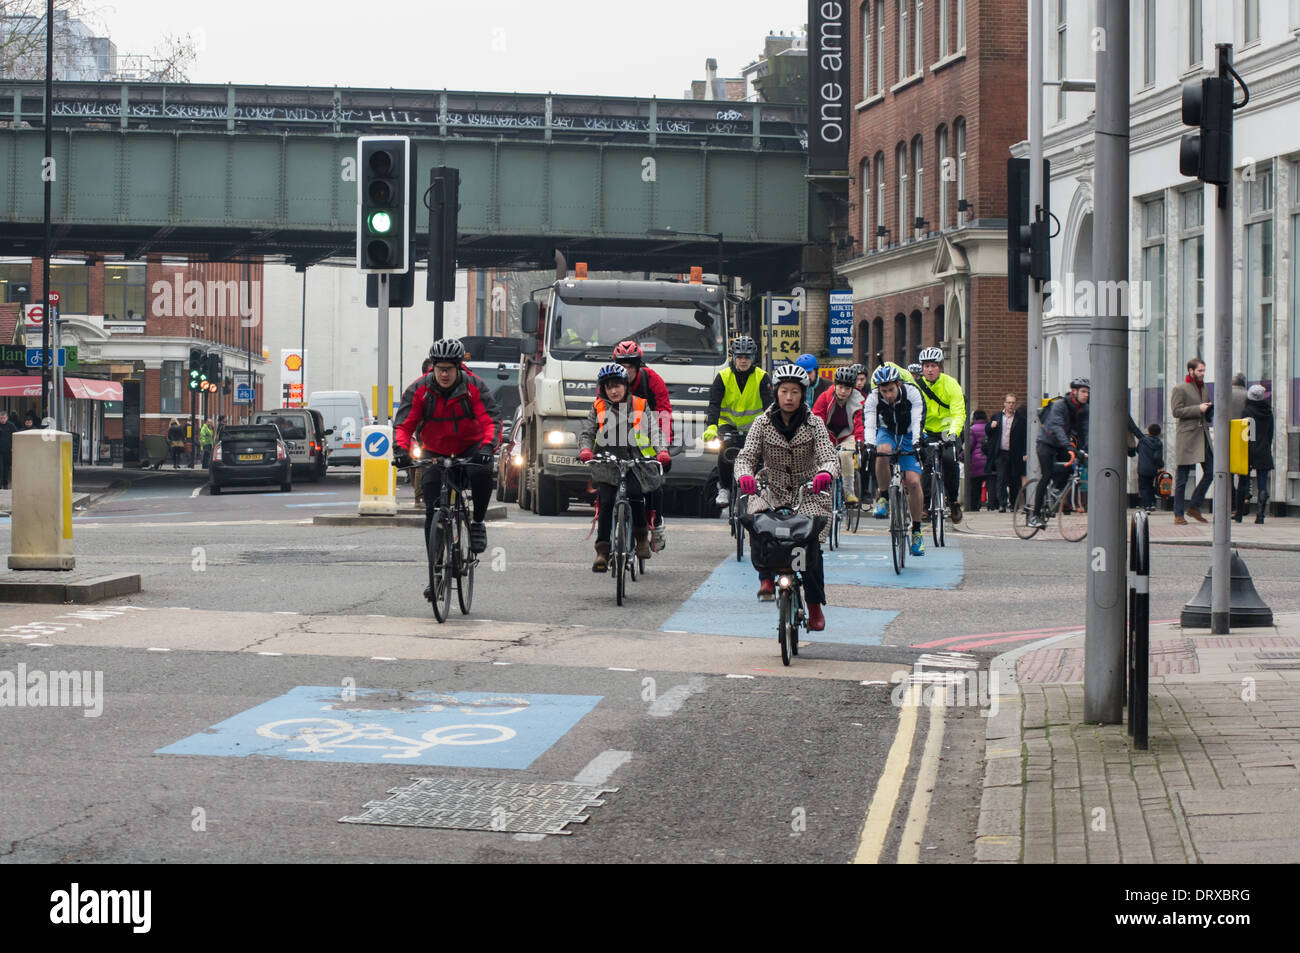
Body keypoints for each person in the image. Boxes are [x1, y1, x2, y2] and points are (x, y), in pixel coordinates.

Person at [393, 339, 502, 601]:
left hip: (470, 447)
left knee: (481, 474)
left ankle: (477, 523)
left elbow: (491, 420)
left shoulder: (474, 386)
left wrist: (487, 447)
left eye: (448, 369)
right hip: (434, 450)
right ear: (432, 368)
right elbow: (404, 425)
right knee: (432, 511)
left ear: (459, 368)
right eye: (438, 368)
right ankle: (435, 574)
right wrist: (400, 450)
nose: (443, 374)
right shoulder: (419, 390)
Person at [734, 363, 838, 631]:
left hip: (809, 490)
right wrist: (745, 475)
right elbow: (745, 457)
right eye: (784, 391)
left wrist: (825, 473)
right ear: (776, 393)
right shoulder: (762, 422)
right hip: (773, 487)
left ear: (803, 394)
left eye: (794, 391)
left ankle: (814, 605)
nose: (789, 397)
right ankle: (766, 578)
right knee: (757, 521)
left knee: (810, 547)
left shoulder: (814, 423)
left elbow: (829, 456)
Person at [578, 363, 670, 569]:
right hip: (607, 463)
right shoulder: (598, 407)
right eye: (609, 386)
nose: (614, 390)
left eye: (618, 385)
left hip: (635, 463)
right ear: (603, 389)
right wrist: (585, 449)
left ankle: (641, 539)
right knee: (607, 500)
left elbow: (654, 431)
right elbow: (587, 433)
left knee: (636, 494)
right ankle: (602, 550)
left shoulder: (640, 404)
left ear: (626, 386)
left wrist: (662, 450)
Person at [613, 340, 673, 550]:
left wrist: (663, 449)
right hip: (617, 439)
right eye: (623, 366)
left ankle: (656, 525)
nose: (626, 371)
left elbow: (664, 412)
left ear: (638, 366)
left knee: (653, 482)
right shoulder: (610, 381)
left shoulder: (652, 380)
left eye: (631, 367)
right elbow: (600, 412)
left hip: (648, 440)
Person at [863, 364, 927, 555]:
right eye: (884, 391)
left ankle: (916, 531)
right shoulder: (873, 398)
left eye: (891, 390)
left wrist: (917, 443)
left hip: (908, 435)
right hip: (887, 432)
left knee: (914, 483)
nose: (888, 395)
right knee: (882, 451)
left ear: (898, 384)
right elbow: (870, 424)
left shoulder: (913, 393)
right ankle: (883, 496)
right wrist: (869, 445)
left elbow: (917, 420)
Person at [701, 335, 772, 505]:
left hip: (754, 427)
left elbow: (770, 407)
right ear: (733, 357)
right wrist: (711, 426)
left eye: (747, 357)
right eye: (739, 356)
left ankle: (757, 487)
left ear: (753, 358)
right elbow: (714, 405)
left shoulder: (762, 377)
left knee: (759, 456)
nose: (743, 361)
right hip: (728, 425)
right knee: (725, 449)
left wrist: (772, 428)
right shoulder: (723, 377)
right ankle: (724, 487)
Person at [914, 347, 967, 524]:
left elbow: (959, 412)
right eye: (926, 366)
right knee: (927, 465)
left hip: (948, 431)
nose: (930, 369)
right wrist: (918, 434)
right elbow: (915, 413)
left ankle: (953, 502)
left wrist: (953, 433)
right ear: (922, 368)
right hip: (927, 431)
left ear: (940, 367)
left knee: (949, 460)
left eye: (933, 366)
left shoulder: (951, 384)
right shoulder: (916, 387)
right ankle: (924, 505)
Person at [1029, 377, 1090, 527]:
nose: (1086, 395)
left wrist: (1085, 450)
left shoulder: (1084, 409)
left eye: (1088, 392)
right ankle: (1034, 515)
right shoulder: (1060, 405)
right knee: (1047, 474)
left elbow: (1085, 430)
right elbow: (1056, 427)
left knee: (1070, 468)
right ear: (1074, 392)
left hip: (1062, 445)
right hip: (1046, 442)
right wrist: (1069, 446)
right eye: (1083, 392)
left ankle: (1056, 488)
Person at [812, 366, 865, 504]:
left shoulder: (859, 400)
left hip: (848, 435)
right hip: (828, 435)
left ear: (852, 389)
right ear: (835, 385)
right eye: (840, 387)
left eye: (847, 388)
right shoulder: (824, 397)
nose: (843, 391)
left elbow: (859, 423)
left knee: (845, 454)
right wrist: (820, 441)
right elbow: (817, 420)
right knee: (821, 458)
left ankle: (849, 492)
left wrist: (859, 442)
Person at [1171, 357, 1212, 525]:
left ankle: (1194, 506)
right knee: (1182, 478)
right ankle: (1178, 514)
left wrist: (1209, 408)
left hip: (1203, 435)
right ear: (1191, 371)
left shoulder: (1204, 388)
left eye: (1203, 370)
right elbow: (1176, 411)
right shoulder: (1180, 388)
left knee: (1211, 471)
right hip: (1187, 437)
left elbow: (1205, 411)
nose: (1202, 373)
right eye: (1200, 370)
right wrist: (1198, 409)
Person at [1237, 384, 1274, 524]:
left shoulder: (1247, 411)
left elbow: (1243, 433)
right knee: (1262, 483)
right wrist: (1266, 446)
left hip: (1248, 450)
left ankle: (1239, 514)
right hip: (1263, 450)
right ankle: (1260, 515)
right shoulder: (1268, 412)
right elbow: (1270, 433)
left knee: (1243, 482)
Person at [983, 393, 1026, 512]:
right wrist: (991, 426)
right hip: (1000, 453)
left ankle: (1013, 504)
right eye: (1009, 402)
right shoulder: (996, 417)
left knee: (1014, 480)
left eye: (1013, 403)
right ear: (1004, 404)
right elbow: (987, 432)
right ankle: (1002, 503)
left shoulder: (1021, 420)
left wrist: (1025, 453)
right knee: (1001, 478)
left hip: (1015, 453)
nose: (1011, 405)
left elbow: (1024, 438)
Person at [1137, 424, 1164, 512]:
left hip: (1142, 468)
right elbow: (1157, 457)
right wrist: (1161, 466)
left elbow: (1137, 450)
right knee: (1150, 486)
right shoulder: (1158, 443)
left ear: (1148, 432)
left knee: (1143, 487)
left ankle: (1147, 506)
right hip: (1153, 469)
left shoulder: (1142, 441)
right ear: (1158, 434)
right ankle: (1152, 503)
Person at [968, 410, 989, 511]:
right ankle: (992, 505)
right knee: (991, 485)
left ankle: (974, 507)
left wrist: (962, 456)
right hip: (988, 461)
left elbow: (970, 446)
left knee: (975, 487)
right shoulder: (989, 427)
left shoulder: (972, 429)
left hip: (976, 462)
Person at [0, 410, 17, 489]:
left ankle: (5, 484)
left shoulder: (11, 426)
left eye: (4, 418)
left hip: (8, 450)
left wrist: (13, 447)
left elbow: (15, 436)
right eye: (1, 418)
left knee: (6, 468)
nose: (2, 419)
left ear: (7, 418)